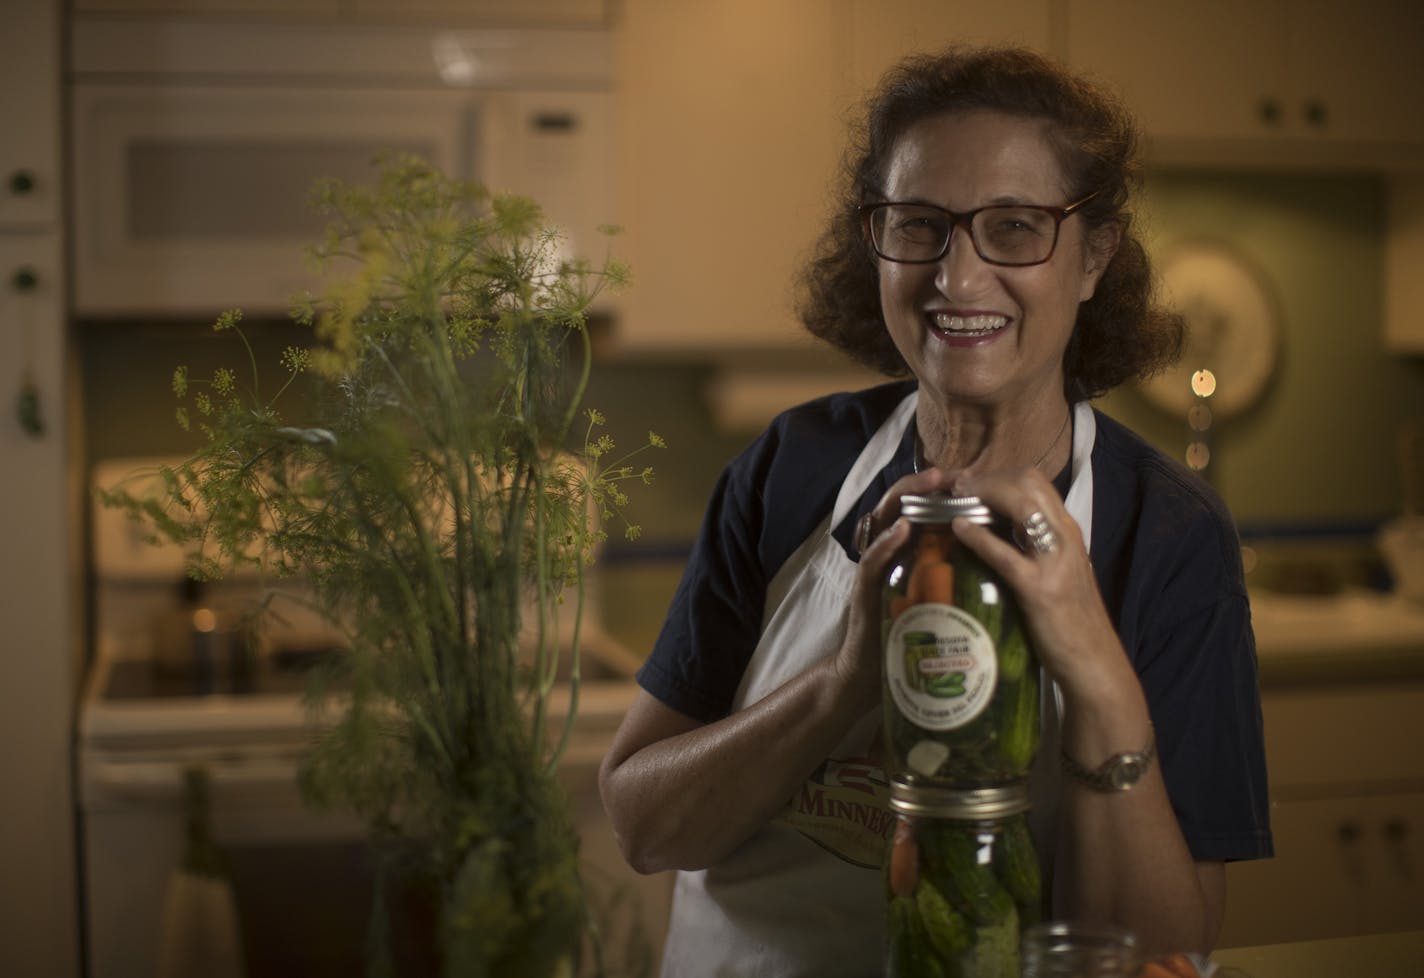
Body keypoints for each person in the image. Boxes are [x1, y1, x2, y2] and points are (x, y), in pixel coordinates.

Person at [598, 45, 1272, 977]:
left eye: (1014, 227)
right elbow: (644, 823)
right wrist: (844, 680)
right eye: (917, 226)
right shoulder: (792, 469)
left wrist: (1090, 659)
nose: (956, 279)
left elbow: (1168, 951)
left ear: (1094, 257)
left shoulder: (1168, 537)